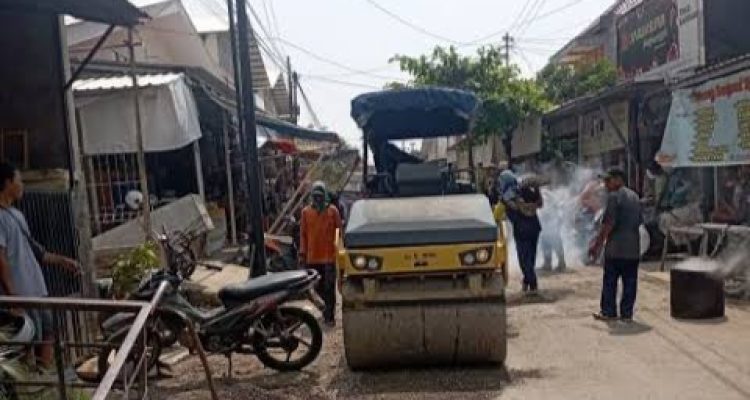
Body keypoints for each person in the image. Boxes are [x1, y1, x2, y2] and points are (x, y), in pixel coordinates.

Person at [0, 162, 79, 368]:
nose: (22, 185)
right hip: (21, 293)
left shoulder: (16, 215)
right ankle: (33, 379)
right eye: (19, 180)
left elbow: (37, 252)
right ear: (7, 183)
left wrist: (63, 261)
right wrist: (12, 297)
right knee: (28, 339)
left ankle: (45, 377)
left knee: (49, 332)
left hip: (37, 289)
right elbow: (1, 259)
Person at [589, 169, 643, 322]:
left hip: (616, 249)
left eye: (608, 180)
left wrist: (596, 246)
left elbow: (608, 224)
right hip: (633, 248)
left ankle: (608, 312)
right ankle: (627, 314)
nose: (606, 184)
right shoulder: (635, 197)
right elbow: (639, 221)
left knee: (610, 281)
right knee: (630, 282)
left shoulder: (614, 197)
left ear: (619, 179)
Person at [299, 181, 342, 327]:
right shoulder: (306, 212)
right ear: (312, 196)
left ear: (324, 196)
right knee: (317, 288)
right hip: (312, 257)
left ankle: (329, 316)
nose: (318, 199)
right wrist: (302, 252)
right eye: (315, 196)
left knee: (329, 288)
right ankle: (325, 311)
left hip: (329, 257)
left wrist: (340, 251)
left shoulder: (333, 211)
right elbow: (303, 234)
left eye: (320, 196)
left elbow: (339, 232)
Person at [502, 172, 544, 293]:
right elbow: (540, 203)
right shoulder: (527, 191)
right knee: (531, 257)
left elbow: (507, 212)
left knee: (524, 259)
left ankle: (533, 283)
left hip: (521, 231)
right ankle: (527, 281)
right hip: (534, 228)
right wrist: (537, 189)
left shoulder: (507, 196)